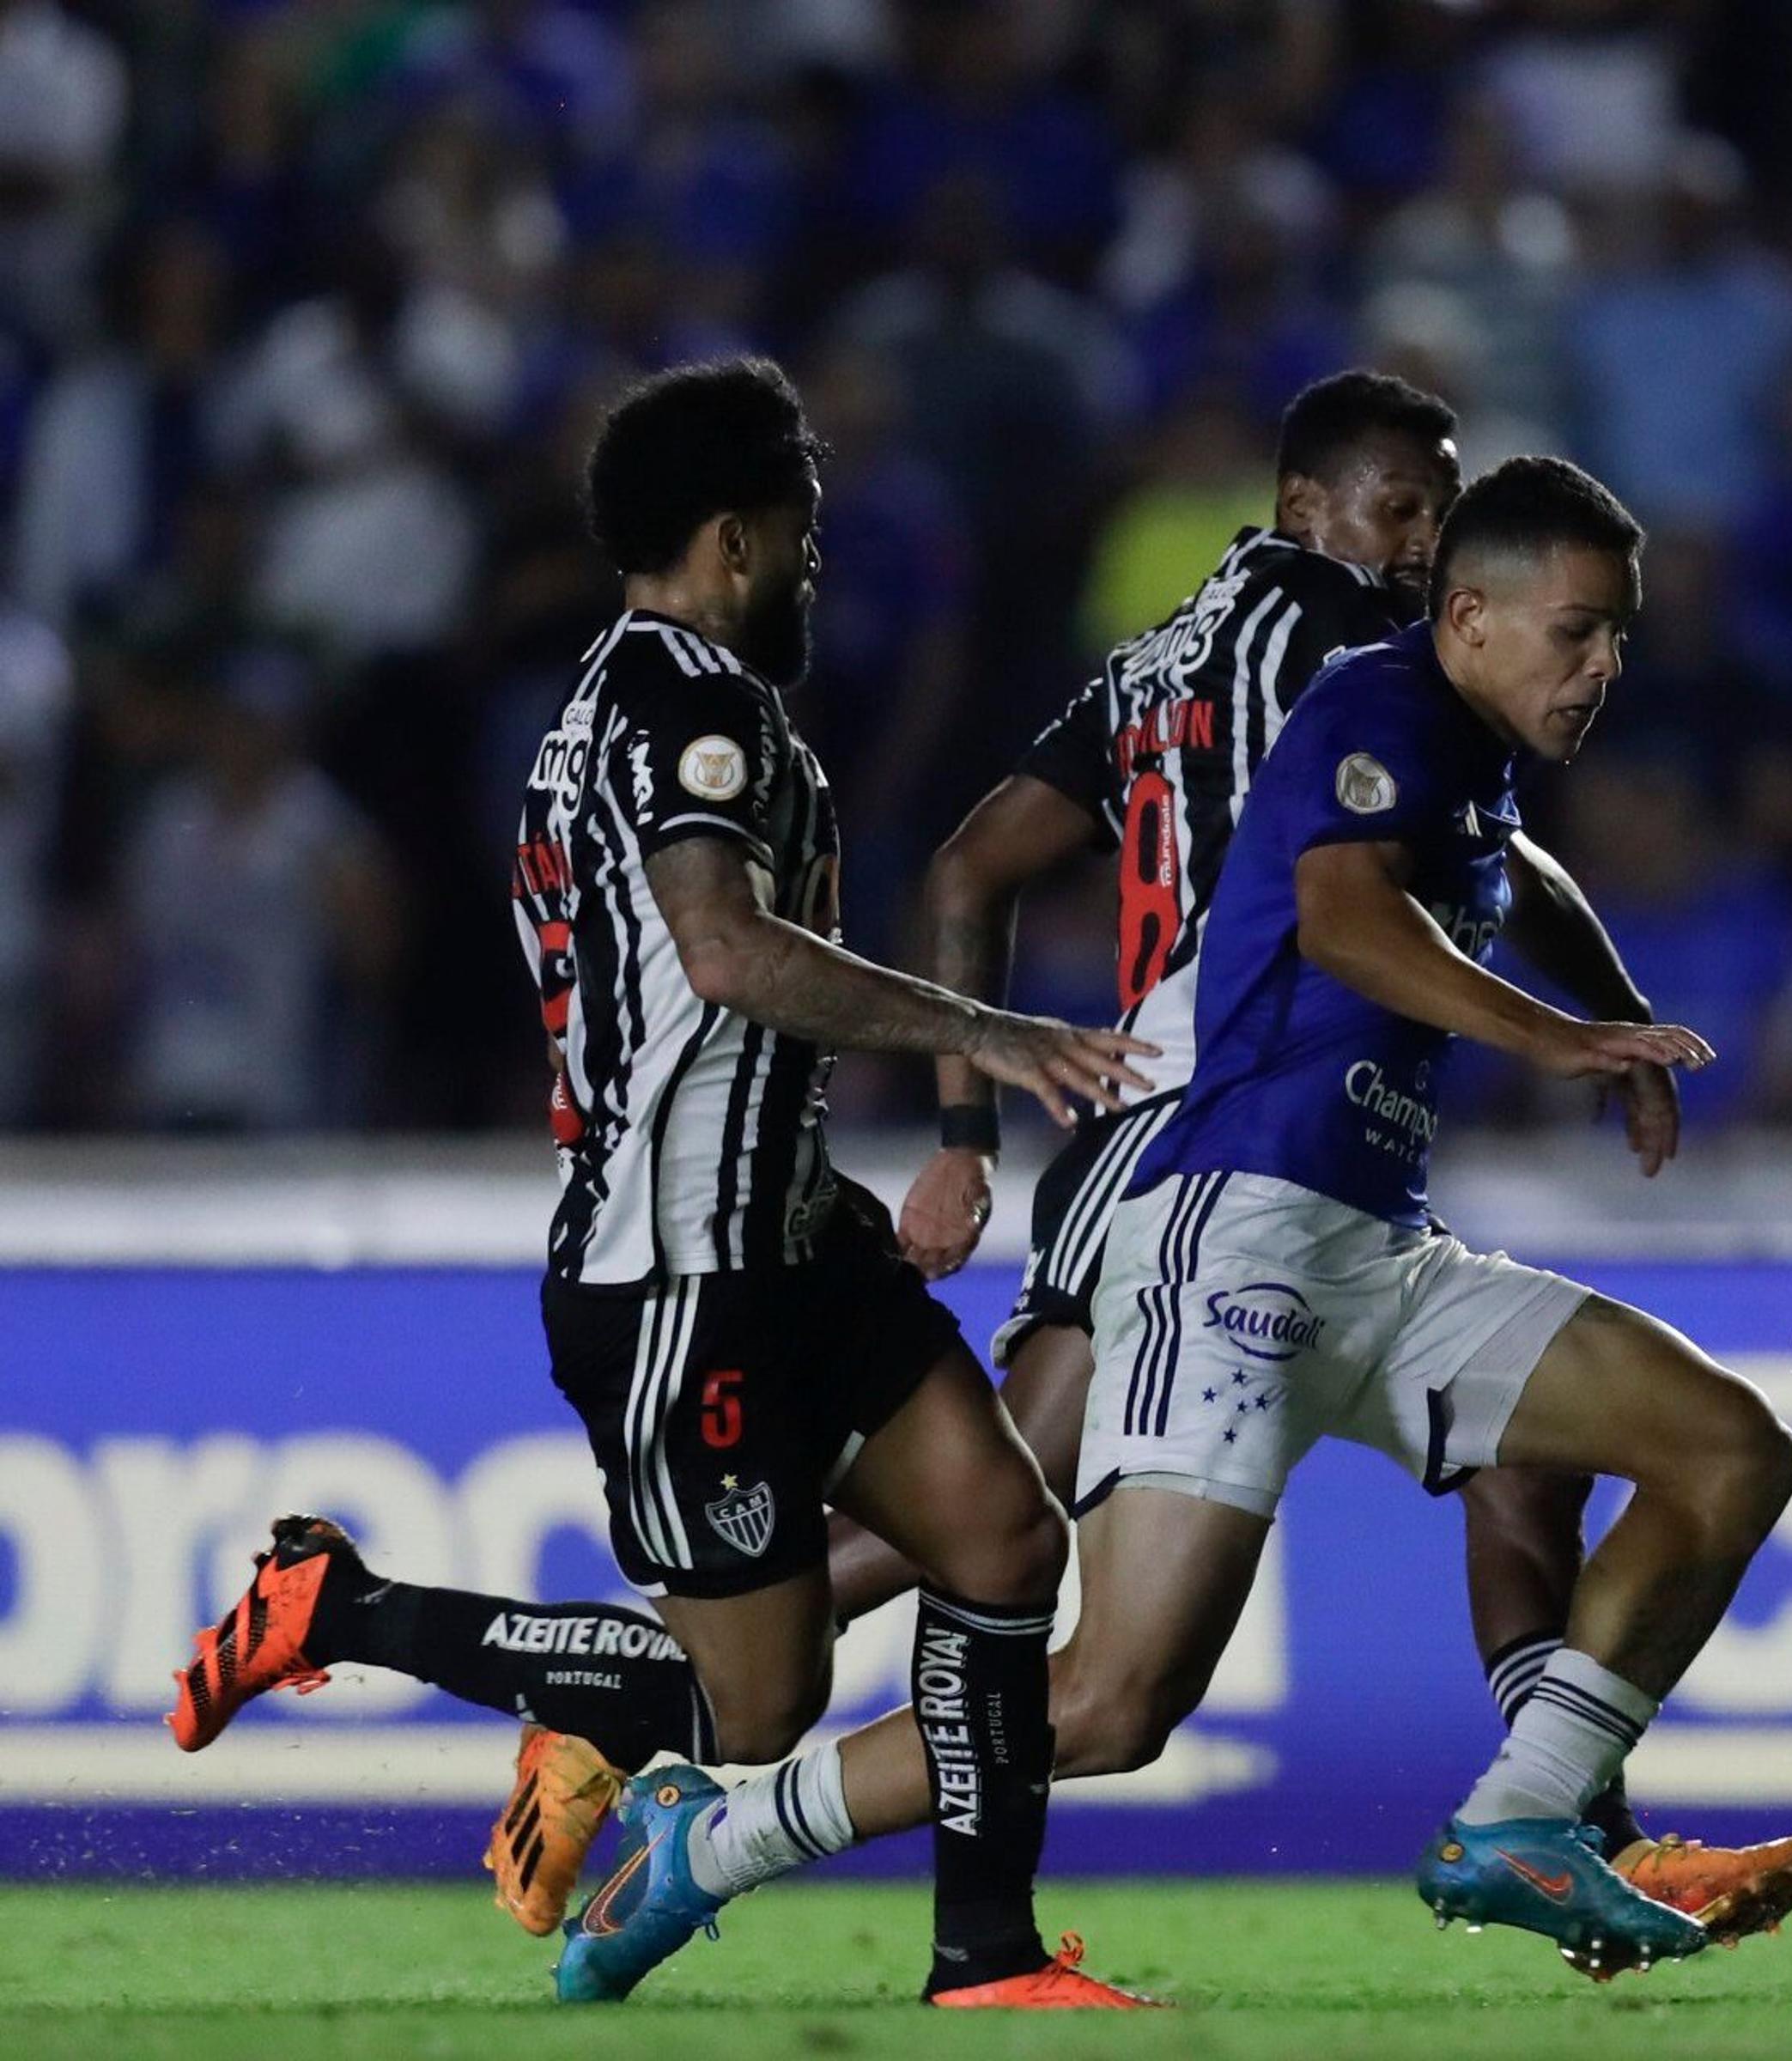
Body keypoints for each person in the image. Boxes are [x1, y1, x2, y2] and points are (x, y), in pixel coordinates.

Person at [556, 455, 1792, 1994]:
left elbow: (1508, 874)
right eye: (1579, 633)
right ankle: (718, 1838)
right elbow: (1346, 914)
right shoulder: (1375, 693)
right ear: (1468, 617)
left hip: (1380, 1252)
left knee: (1730, 1450)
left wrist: (1614, 1010)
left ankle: (1531, 1819)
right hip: (1232, 1240)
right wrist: (1562, 1041)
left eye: (1620, 637)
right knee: (1108, 1703)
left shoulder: (1464, 762)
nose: (1606, 667)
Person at [167, 357, 1164, 2009]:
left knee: (998, 1536)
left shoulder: (622, 714)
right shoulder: (685, 710)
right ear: (733, 539)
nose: (816, 565)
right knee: (751, 1714)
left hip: (793, 1235)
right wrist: (985, 1035)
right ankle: (339, 1603)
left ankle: (985, 1960)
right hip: (678, 1268)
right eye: (803, 531)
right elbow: (724, 950)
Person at [851, 368, 1792, 1939]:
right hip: (1205, 1118)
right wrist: (1586, 1028)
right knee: (1003, 1527)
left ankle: (1560, 1819)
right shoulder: (1343, 642)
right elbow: (1399, 877)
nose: (1430, 546)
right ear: (1308, 510)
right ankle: (680, 1719)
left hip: (1276, 1143)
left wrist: (967, 1127)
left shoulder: (1160, 658)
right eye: (1409, 511)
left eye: (1444, 515)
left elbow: (972, 863)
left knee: (1527, 1470)